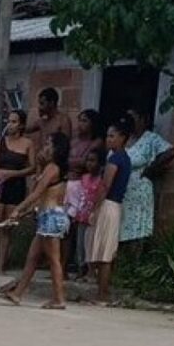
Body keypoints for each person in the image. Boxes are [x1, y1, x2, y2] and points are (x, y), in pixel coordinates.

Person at [3, 132, 71, 309]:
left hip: (50, 217)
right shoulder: (52, 168)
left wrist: (18, 208)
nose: (45, 147)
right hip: (48, 216)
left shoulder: (53, 169)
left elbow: (37, 193)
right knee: (32, 257)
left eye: (48, 144)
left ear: (56, 149)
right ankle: (18, 293)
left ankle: (59, 299)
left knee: (54, 260)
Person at [84, 117, 134, 305]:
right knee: (104, 250)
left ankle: (102, 294)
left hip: (108, 206)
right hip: (114, 206)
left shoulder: (116, 158)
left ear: (123, 137)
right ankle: (101, 292)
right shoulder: (125, 158)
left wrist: (94, 209)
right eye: (107, 136)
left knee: (104, 252)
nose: (108, 139)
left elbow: (105, 185)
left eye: (112, 136)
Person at [0, 111, 35, 277]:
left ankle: (1, 266)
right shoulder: (0, 142)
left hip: (16, 186)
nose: (9, 124)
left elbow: (33, 167)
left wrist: (14, 174)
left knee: (7, 228)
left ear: (21, 125)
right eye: (8, 121)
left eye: (13, 122)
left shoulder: (28, 144)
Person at [119, 106, 174, 247]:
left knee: (137, 231)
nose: (130, 121)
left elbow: (171, 151)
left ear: (143, 120)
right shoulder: (123, 138)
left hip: (139, 190)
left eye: (133, 118)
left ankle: (135, 264)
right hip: (121, 191)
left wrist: (151, 168)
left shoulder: (150, 138)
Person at [62, 109, 104, 275]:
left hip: (82, 186)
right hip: (68, 185)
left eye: (84, 121)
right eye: (79, 120)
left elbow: (83, 162)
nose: (80, 124)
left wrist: (73, 162)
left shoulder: (97, 142)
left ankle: (81, 266)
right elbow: (67, 160)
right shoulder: (73, 142)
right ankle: (63, 265)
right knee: (65, 228)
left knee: (79, 229)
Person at [66, 147, 106, 281]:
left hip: (93, 217)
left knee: (91, 244)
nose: (89, 163)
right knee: (80, 245)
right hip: (81, 216)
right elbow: (78, 196)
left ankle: (91, 271)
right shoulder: (83, 178)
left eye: (93, 161)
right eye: (88, 160)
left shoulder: (101, 180)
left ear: (100, 164)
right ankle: (80, 269)